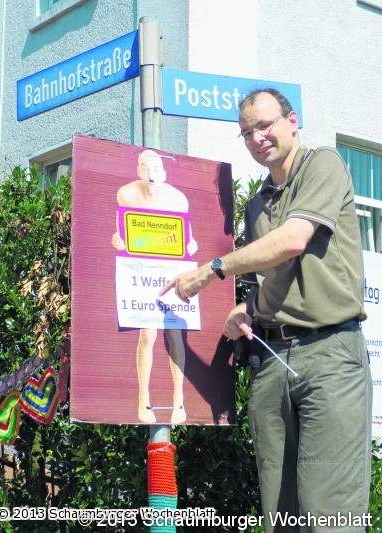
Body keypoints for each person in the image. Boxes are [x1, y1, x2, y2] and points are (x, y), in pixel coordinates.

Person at [160, 89, 372, 532]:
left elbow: (293, 240)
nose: (257, 137)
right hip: (272, 361)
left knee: (330, 515)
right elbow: (271, 282)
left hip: (329, 356)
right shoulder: (257, 205)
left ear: (292, 121)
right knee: (280, 515)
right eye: (247, 132)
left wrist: (211, 271)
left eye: (265, 125)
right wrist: (246, 309)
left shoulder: (323, 165)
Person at [112, 149, 197, 424]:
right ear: (138, 170)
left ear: (164, 172)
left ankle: (179, 401)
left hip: (170, 272)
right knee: (147, 334)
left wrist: (190, 246)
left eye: (155, 168)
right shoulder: (126, 194)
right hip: (142, 272)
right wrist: (117, 241)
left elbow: (188, 238)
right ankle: (143, 399)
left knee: (175, 334)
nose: (150, 174)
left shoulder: (177, 198)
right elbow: (122, 231)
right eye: (145, 167)